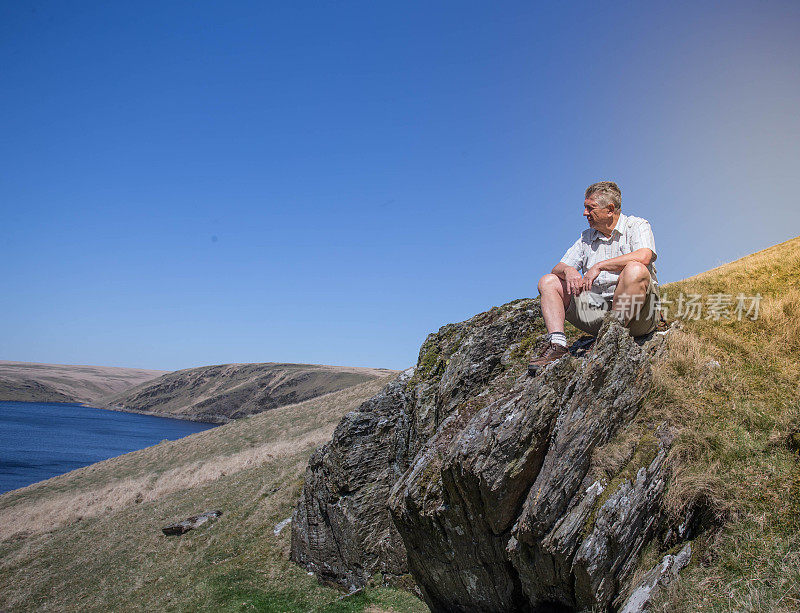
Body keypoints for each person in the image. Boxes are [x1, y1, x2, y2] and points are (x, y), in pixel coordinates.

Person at [528, 181, 659, 375]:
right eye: (585, 207)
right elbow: (558, 267)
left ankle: (612, 338)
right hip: (599, 314)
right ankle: (558, 345)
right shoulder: (586, 237)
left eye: (590, 208)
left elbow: (644, 256)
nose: (585, 213)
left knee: (635, 269)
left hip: (639, 316)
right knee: (548, 281)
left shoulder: (637, 225)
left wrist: (600, 265)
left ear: (610, 209)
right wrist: (569, 271)